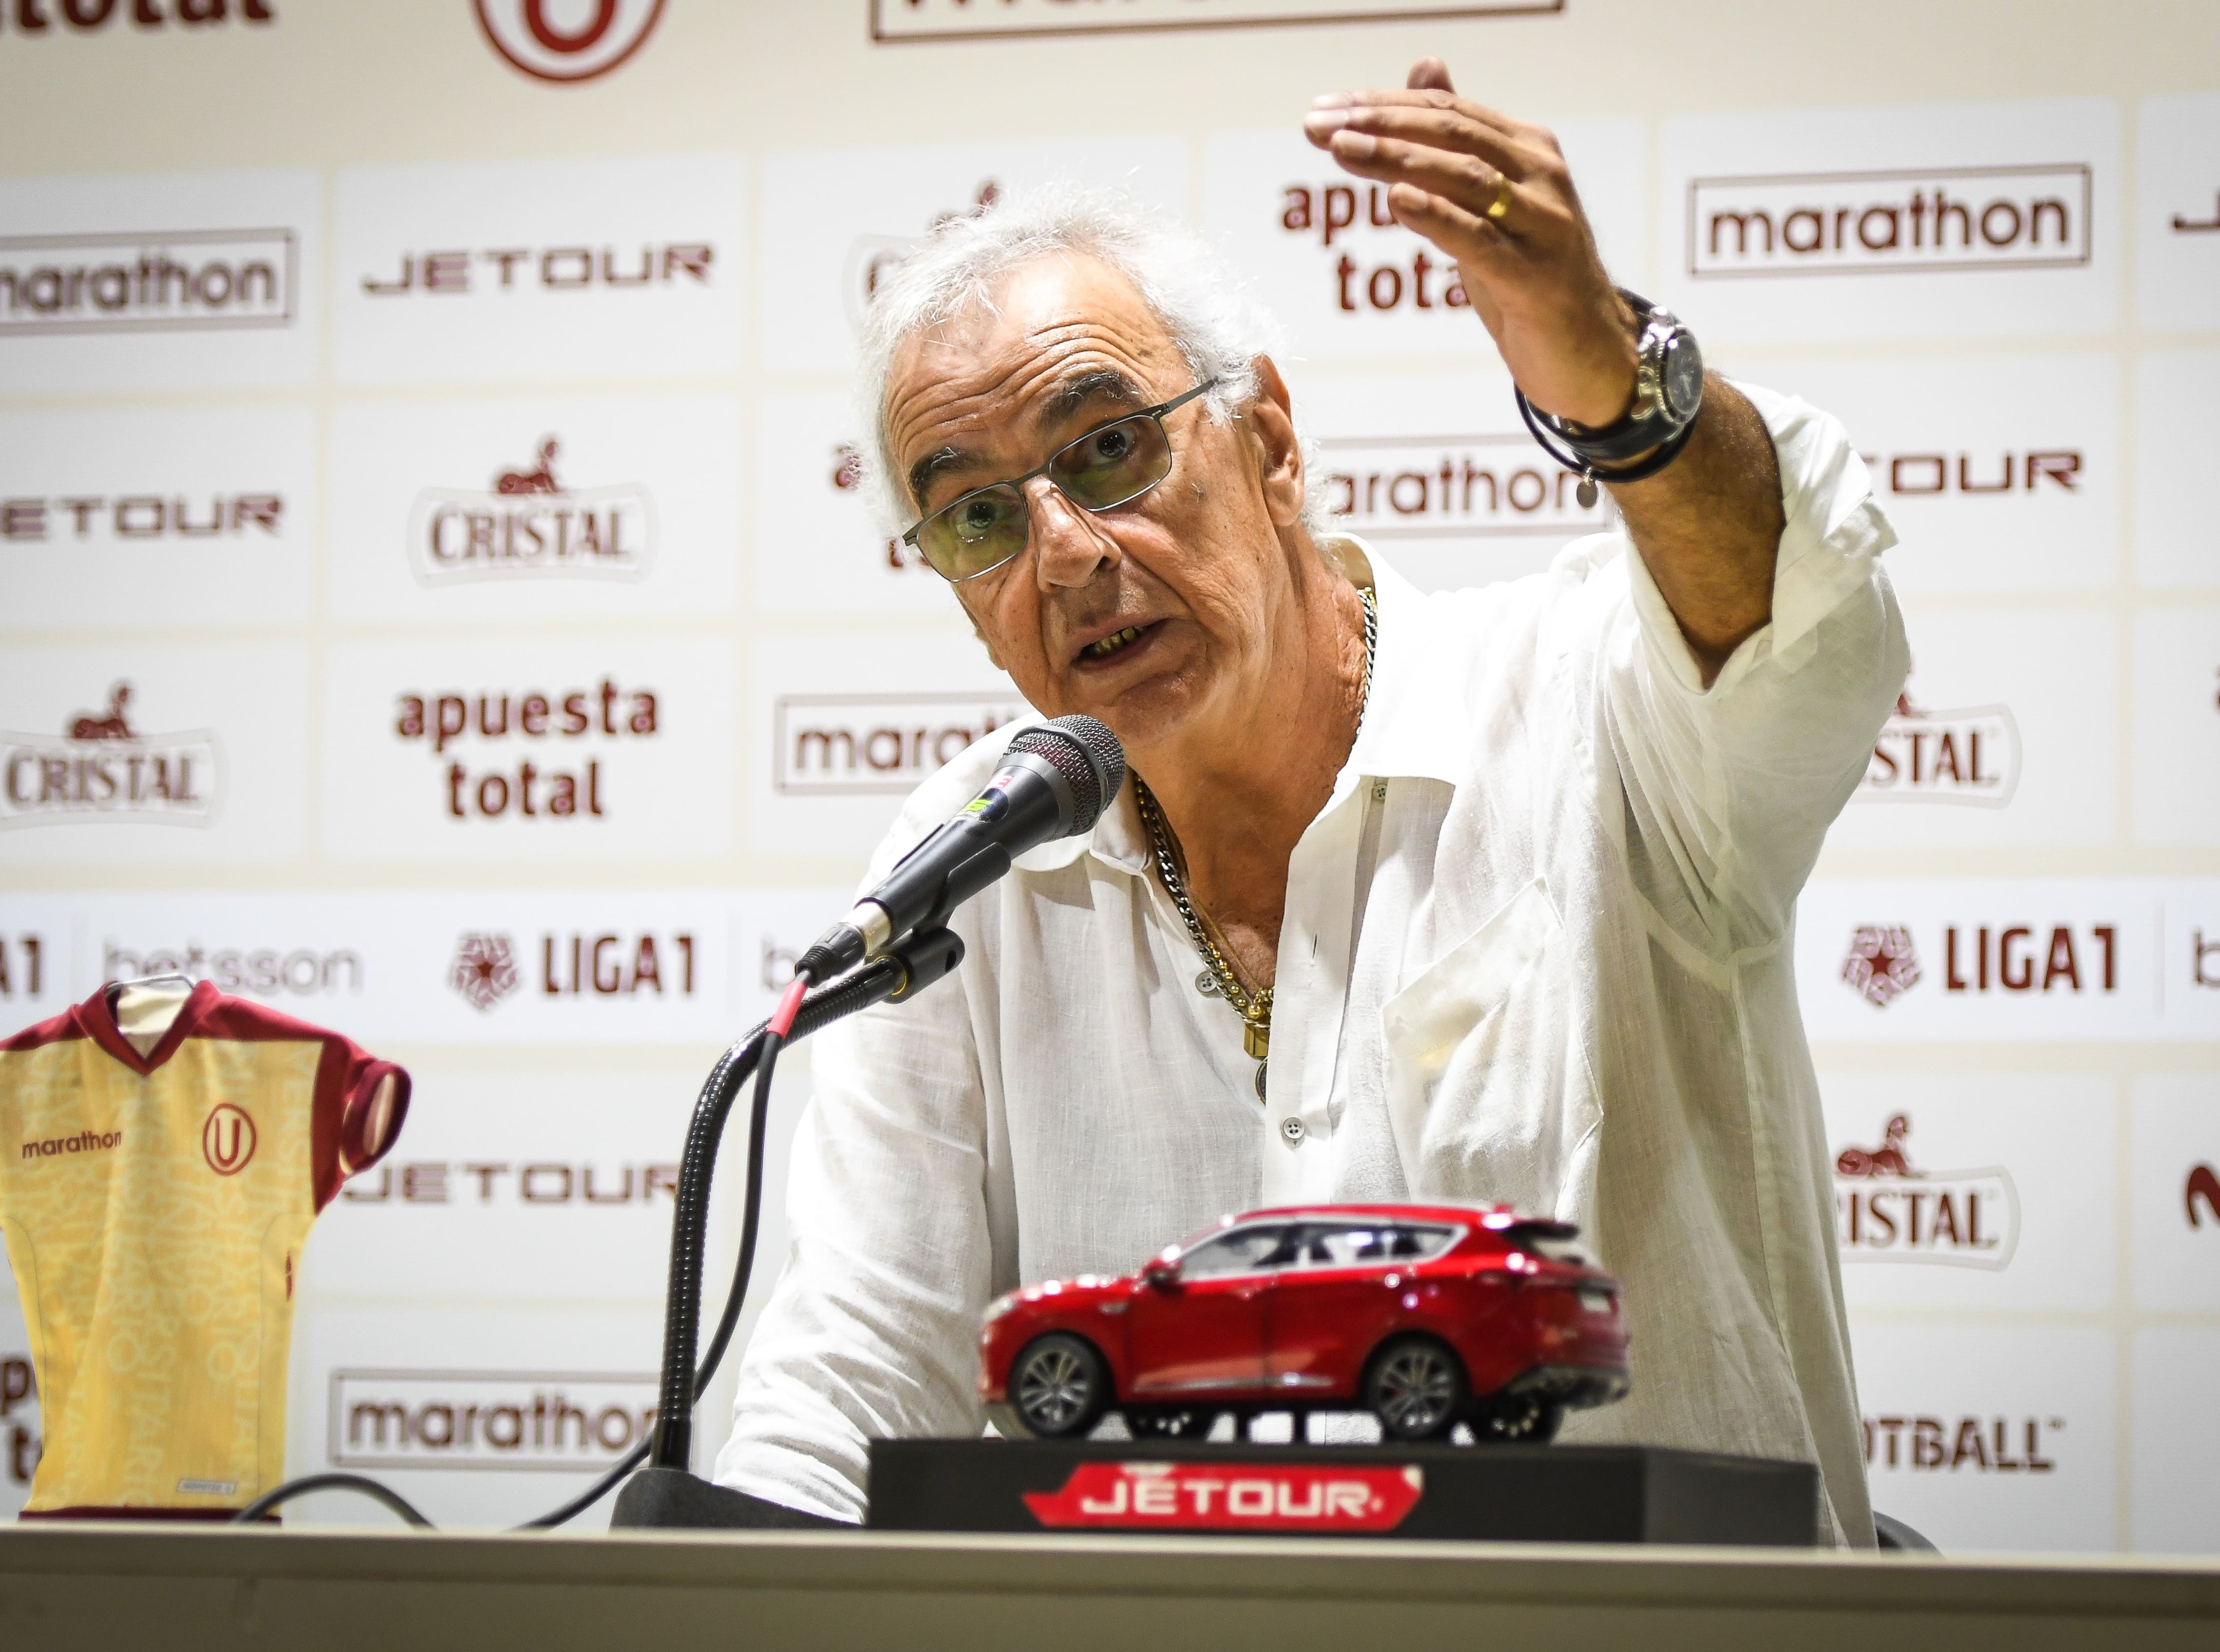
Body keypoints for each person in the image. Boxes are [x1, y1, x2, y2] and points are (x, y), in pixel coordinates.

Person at [716, 58, 1905, 1546]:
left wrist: (1616, 376)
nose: (1068, 554)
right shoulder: (966, 864)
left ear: (1270, 443)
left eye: (1108, 448)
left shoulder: (1587, 704)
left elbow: (1795, 611)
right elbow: (847, 1392)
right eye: (974, 514)